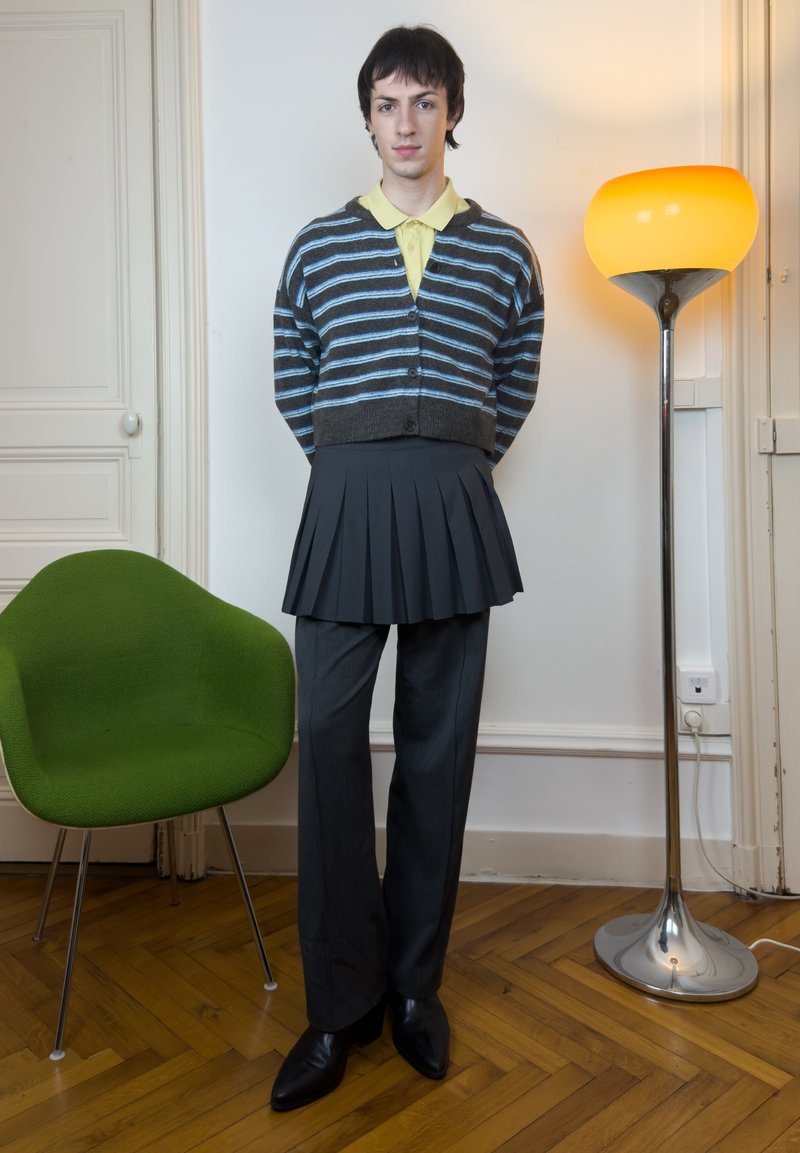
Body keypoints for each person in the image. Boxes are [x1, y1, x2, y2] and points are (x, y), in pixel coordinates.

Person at [270, 25, 544, 1111]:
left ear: (451, 116)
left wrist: (456, 459)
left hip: (451, 505)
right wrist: (356, 457)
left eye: (425, 103)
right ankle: (337, 1007)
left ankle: (414, 991)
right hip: (344, 501)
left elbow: (514, 374)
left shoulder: (502, 247)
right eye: (387, 104)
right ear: (367, 118)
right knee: (329, 740)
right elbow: (294, 369)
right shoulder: (316, 246)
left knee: (436, 755)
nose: (405, 124)